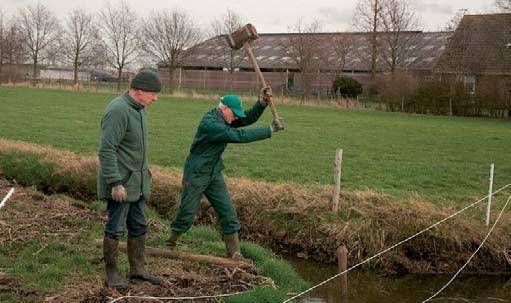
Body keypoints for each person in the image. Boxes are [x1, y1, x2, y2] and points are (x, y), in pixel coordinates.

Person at [167, 86, 284, 259]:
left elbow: (247, 118)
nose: (236, 117)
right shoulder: (212, 124)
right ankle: (169, 243)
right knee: (186, 214)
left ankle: (235, 255)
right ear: (224, 109)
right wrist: (269, 130)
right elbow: (240, 135)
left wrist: (261, 102)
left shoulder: (225, 118)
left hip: (214, 173)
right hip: (196, 174)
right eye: (234, 113)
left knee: (229, 214)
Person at [97, 70, 162, 289]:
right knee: (116, 227)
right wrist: (115, 182)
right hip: (122, 183)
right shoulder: (118, 110)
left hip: (139, 182)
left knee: (139, 225)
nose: (156, 98)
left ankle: (137, 270)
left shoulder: (140, 109)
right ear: (140, 91)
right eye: (153, 94)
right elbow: (107, 149)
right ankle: (112, 274)